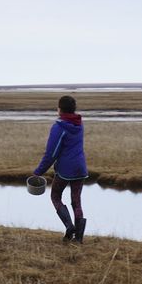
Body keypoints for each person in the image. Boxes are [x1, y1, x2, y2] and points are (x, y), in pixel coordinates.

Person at [33, 95, 89, 243]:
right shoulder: (79, 123)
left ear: (60, 109)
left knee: (55, 196)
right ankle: (78, 239)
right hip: (81, 168)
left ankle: (69, 227)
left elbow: (51, 153)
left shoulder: (59, 127)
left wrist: (38, 172)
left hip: (66, 169)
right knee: (76, 201)